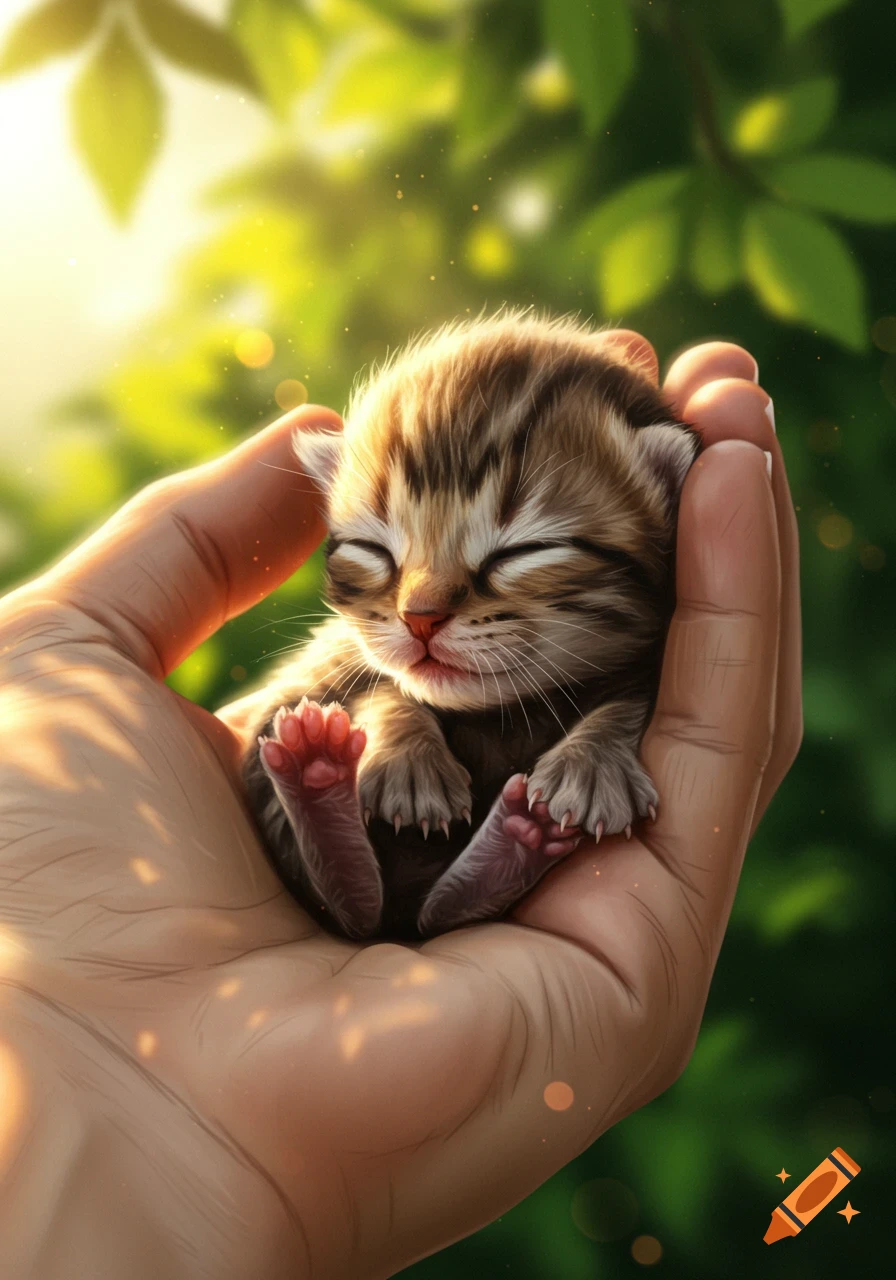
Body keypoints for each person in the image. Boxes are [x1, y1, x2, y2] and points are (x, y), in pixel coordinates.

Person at [0, 332, 800, 1279]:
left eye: (523, 552)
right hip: (319, 861)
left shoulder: (632, 679)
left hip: (423, 912)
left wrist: (600, 741)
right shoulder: (374, 663)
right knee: (305, 731)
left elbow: (639, 706)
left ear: (663, 509)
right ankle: (351, 818)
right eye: (371, 552)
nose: (421, 609)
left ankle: (475, 860)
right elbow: (350, 696)